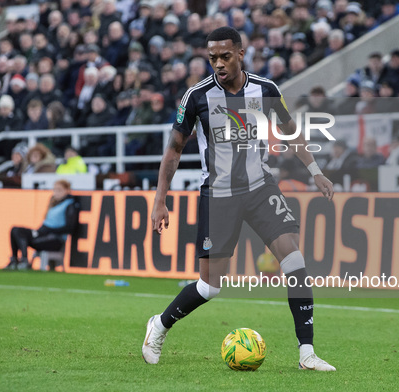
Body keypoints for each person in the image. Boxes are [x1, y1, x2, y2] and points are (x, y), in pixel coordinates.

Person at [142, 27, 336, 371]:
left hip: (261, 188)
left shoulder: (265, 90)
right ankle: (159, 324)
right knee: (209, 286)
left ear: (241, 54)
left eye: (225, 56)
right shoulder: (197, 96)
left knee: (295, 264)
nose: (218, 63)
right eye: (212, 57)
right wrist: (160, 200)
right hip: (218, 196)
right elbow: (173, 150)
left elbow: (291, 131)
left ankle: (307, 352)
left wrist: (316, 170)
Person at [5, 179, 79, 270]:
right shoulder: (53, 203)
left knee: (21, 233)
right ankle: (15, 260)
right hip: (44, 233)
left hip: (54, 238)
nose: (56, 192)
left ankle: (24, 260)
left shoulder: (70, 204)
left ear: (67, 190)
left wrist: (49, 230)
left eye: (59, 190)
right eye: (55, 189)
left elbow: (70, 228)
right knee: (15, 229)